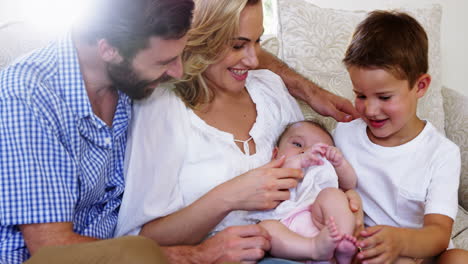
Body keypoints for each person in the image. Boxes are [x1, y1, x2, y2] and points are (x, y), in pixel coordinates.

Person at [0, 0, 359, 263]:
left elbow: (224, 41)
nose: (176, 73)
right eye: (164, 62)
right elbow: (50, 251)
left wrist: (310, 92)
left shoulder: (134, 77)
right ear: (109, 51)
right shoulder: (29, 96)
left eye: (181, 55)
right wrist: (198, 254)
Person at [116, 1, 362, 264]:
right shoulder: (161, 107)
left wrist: (344, 203)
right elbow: (141, 240)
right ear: (202, 39)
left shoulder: (270, 89)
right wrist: (230, 196)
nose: (253, 60)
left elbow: (313, 173)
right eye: (237, 45)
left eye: (257, 41)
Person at [334, 10, 465, 263]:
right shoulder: (344, 135)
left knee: (459, 258)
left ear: (420, 86)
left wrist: (401, 242)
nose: (370, 110)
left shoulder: (442, 153)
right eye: (360, 95)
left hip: (424, 253)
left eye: (384, 97)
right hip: (372, 254)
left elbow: (438, 233)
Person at [247, 120, 358, 263]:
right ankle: (313, 248)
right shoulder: (275, 171)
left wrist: (339, 163)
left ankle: (342, 241)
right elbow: (281, 175)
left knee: (333, 194)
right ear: (275, 153)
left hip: (323, 222)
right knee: (265, 228)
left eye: (320, 150)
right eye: (298, 144)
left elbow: (350, 184)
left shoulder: (322, 172)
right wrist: (300, 160)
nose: (307, 151)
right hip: (285, 226)